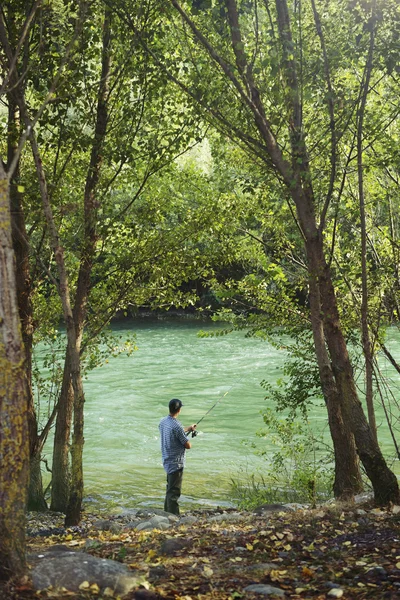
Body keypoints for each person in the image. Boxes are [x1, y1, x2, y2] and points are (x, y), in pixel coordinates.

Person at [159, 398, 196, 515]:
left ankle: (166, 513)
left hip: (167, 459)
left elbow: (175, 431)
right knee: (174, 492)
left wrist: (188, 429)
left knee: (169, 489)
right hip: (176, 463)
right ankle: (173, 516)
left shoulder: (163, 422)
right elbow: (188, 445)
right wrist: (188, 438)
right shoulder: (177, 426)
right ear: (179, 410)